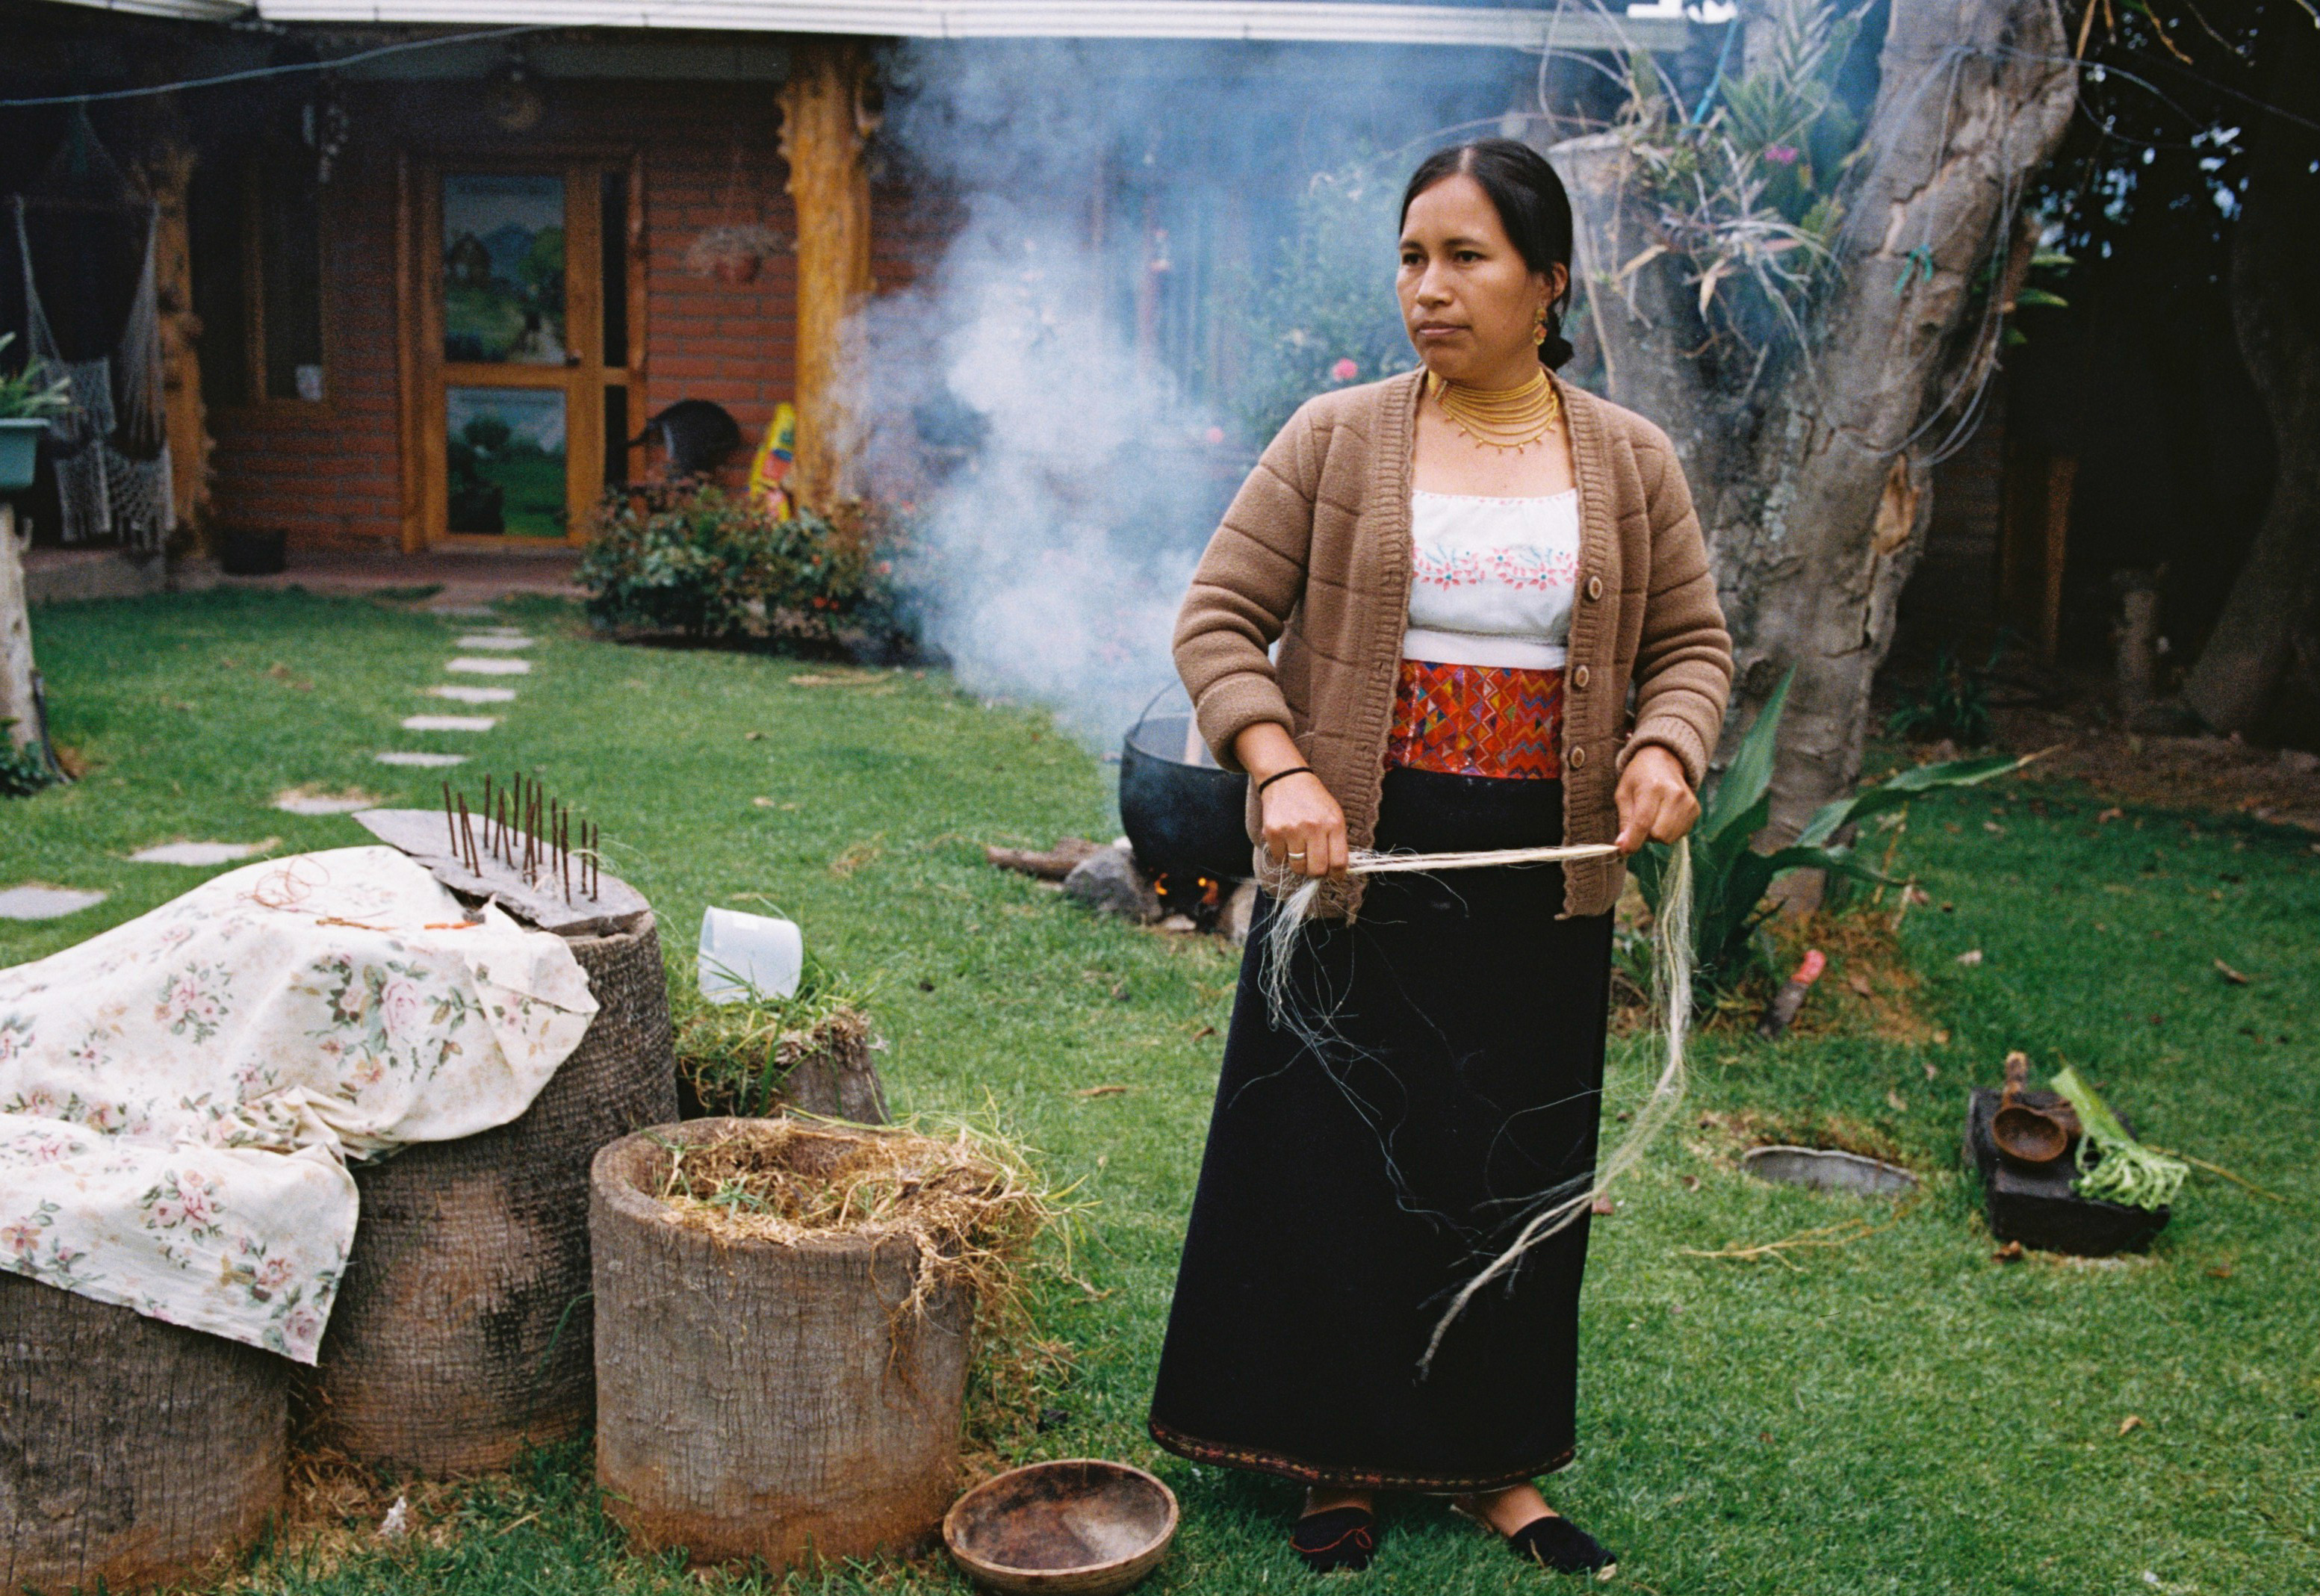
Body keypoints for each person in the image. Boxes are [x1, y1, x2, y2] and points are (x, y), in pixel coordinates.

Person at [1147, 139, 1734, 1578]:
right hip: (1357, 852)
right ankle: (1334, 1452)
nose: (1429, 287)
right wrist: (1279, 767)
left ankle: (1495, 1463)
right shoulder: (1336, 437)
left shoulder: (1627, 457)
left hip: (1543, 865)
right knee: (1339, 1147)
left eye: (1466, 258)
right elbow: (1216, 620)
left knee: (1508, 1156)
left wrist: (1666, 749)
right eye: (1412, 256)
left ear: (1547, 281)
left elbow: (1691, 649)